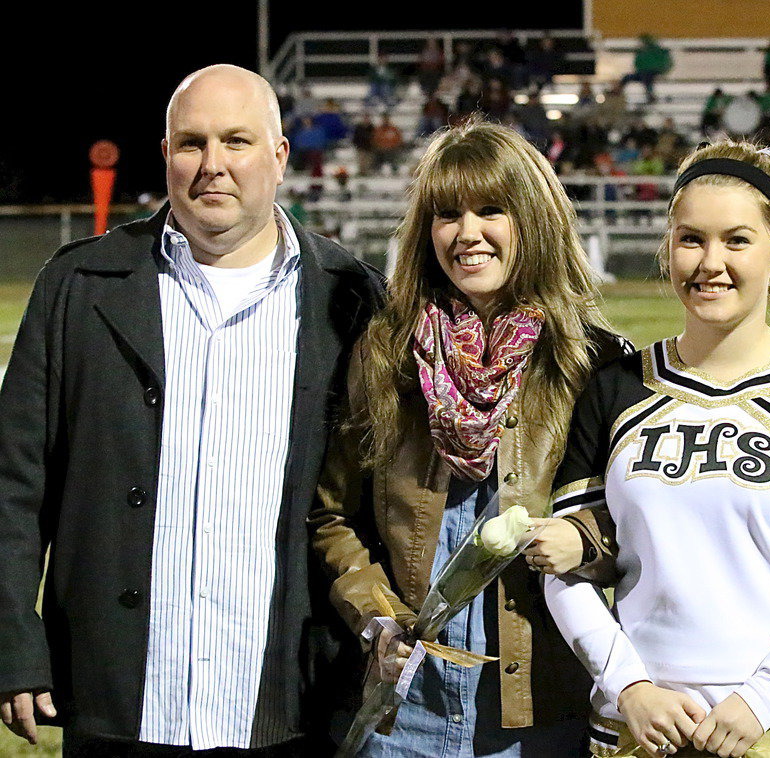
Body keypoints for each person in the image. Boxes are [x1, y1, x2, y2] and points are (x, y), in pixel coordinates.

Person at [0, 64, 385, 754]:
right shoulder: (78, 285)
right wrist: (12, 643)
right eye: (191, 143)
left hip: (289, 706)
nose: (213, 165)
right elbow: (12, 487)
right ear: (166, 155)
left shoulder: (354, 299)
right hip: (113, 699)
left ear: (279, 155)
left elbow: (379, 502)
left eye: (236, 141)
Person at [544, 142, 770, 758]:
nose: (710, 262)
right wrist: (629, 687)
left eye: (736, 240)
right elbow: (562, 566)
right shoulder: (618, 384)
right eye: (690, 239)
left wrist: (763, 697)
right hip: (638, 729)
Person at [309, 119, 631, 757]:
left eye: (491, 210)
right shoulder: (386, 353)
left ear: (532, 220)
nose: (467, 234)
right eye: (447, 214)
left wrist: (585, 541)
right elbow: (332, 515)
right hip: (406, 714)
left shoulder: (591, 362)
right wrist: (376, 614)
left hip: (541, 709)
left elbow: (637, 521)